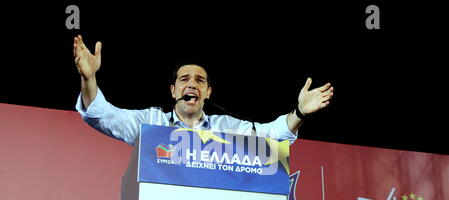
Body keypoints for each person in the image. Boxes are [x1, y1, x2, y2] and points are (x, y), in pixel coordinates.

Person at [73, 35, 334, 145]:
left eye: (200, 81)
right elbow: (102, 115)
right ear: (173, 90)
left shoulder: (226, 127)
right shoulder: (149, 123)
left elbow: (272, 135)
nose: (192, 84)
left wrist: (299, 111)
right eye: (185, 79)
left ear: (208, 92)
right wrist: (89, 78)